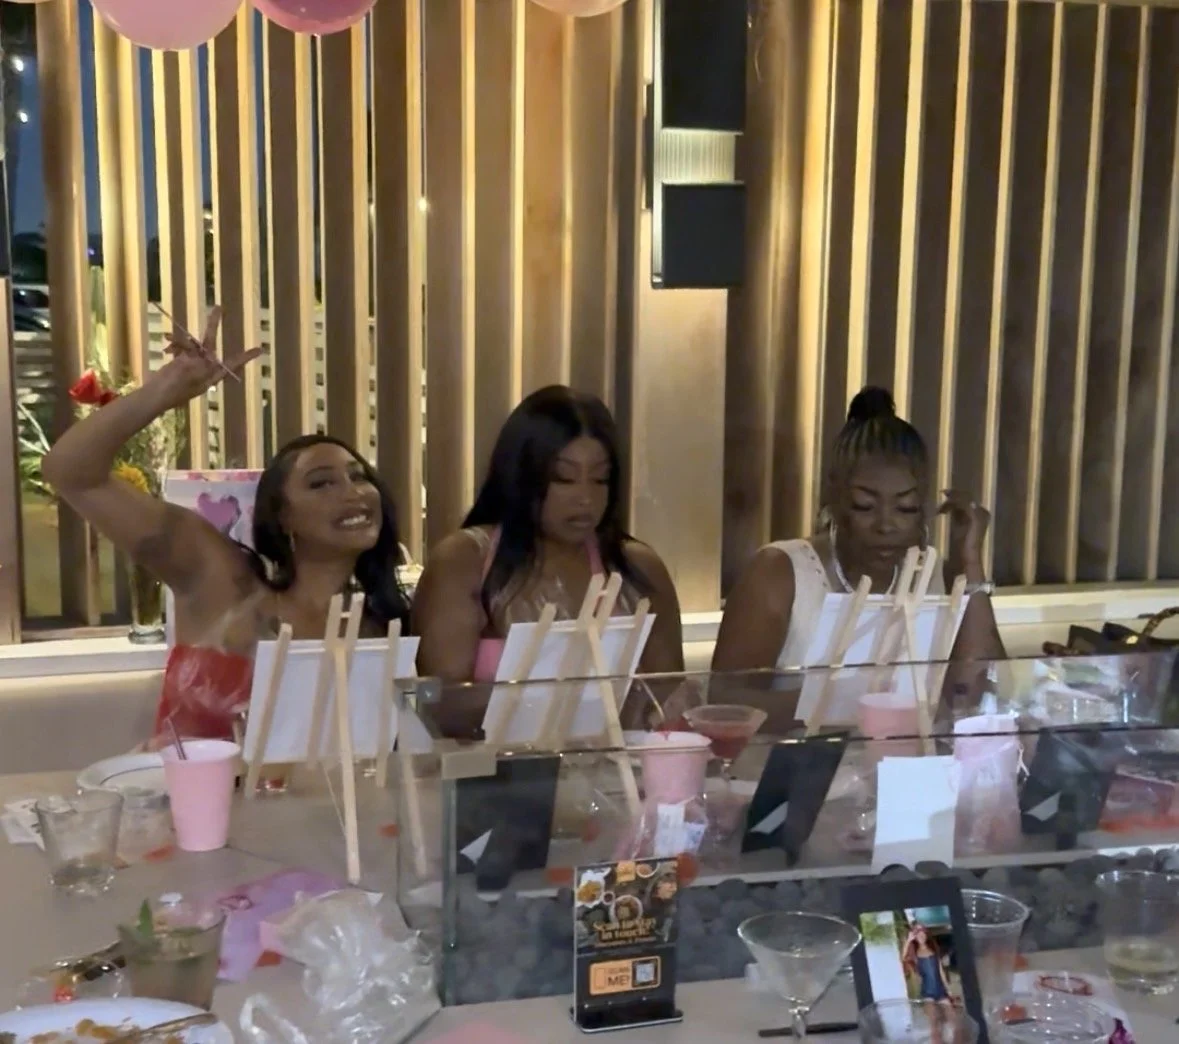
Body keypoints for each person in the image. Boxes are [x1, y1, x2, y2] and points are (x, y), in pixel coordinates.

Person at [41, 307, 411, 742]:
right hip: (189, 806)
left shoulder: (382, 623)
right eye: (322, 483)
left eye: (359, 476)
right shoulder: (222, 582)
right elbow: (71, 472)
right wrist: (164, 391)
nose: (354, 492)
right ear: (282, 515)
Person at [413, 385, 684, 736]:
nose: (585, 498)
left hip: (612, 774)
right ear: (522, 476)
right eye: (564, 479)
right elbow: (441, 707)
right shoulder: (465, 560)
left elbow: (669, 698)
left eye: (600, 479)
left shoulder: (636, 568)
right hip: (490, 776)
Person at [712, 386, 1004, 702]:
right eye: (864, 505)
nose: (886, 525)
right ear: (835, 499)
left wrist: (971, 560)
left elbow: (980, 694)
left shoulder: (933, 575)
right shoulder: (780, 573)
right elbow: (725, 703)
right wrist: (847, 700)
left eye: (905, 508)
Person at [902, 923, 957, 1029]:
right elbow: (904, 957)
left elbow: (941, 972)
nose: (921, 935)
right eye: (917, 934)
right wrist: (908, 940)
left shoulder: (934, 950)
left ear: (926, 934)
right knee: (933, 1023)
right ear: (915, 937)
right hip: (927, 993)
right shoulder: (914, 955)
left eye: (922, 933)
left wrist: (948, 990)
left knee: (953, 1019)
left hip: (941, 991)